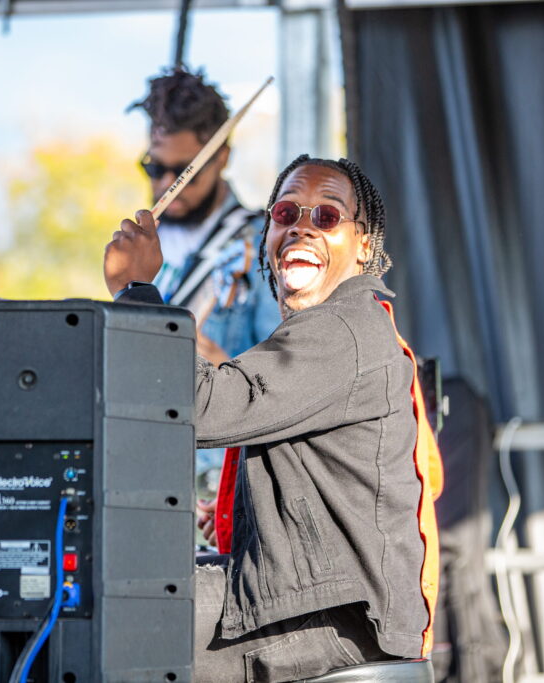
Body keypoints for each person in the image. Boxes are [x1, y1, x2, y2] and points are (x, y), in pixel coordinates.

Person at [104, 155, 442, 682]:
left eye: (327, 216)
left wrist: (136, 293)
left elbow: (201, 406)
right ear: (268, 234)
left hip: (334, 619)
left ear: (363, 246)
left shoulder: (345, 328)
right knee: (119, 587)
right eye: (286, 213)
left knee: (110, 620)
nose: (302, 226)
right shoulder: (339, 327)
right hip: (315, 601)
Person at [128, 68, 281, 365]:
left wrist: (225, 373)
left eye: (184, 174)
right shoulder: (138, 246)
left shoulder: (265, 246)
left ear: (222, 158)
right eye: (155, 169)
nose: (167, 185)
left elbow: (285, 379)